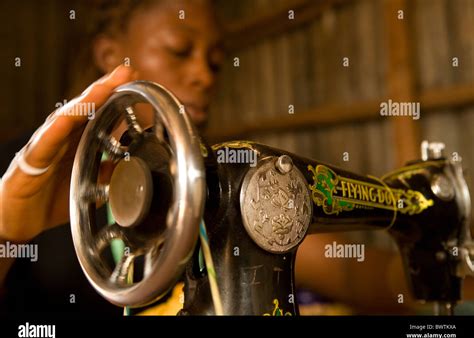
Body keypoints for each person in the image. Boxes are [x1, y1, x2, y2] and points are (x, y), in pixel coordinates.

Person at [0, 0, 471, 315]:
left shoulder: (217, 179)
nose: (204, 74)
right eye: (180, 51)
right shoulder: (21, 174)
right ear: (110, 57)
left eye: (215, 61)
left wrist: (446, 271)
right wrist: (4, 230)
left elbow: (346, 269)